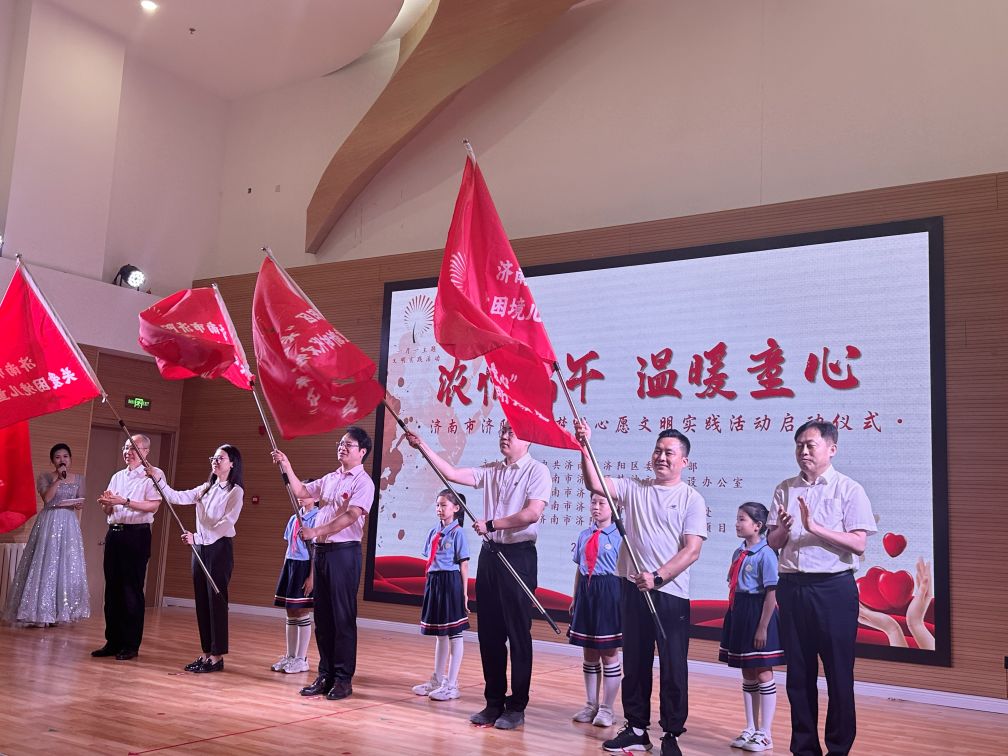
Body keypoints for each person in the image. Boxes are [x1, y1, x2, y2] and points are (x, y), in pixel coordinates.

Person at [405, 421, 549, 731]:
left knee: (518, 635)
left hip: (518, 556)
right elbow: (452, 474)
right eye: (502, 431)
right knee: (490, 634)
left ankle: (516, 706)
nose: (505, 436)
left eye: (512, 432)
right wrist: (422, 445)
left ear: (528, 440)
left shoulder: (537, 471)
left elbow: (532, 513)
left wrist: (493, 524)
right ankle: (493, 702)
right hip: (490, 556)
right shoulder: (492, 470)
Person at [575, 419, 706, 756]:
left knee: (673, 666)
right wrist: (584, 446)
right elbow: (594, 482)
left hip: (669, 593)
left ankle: (671, 735)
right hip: (632, 588)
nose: (662, 457)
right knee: (635, 661)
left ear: (684, 461)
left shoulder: (691, 498)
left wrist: (658, 576)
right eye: (658, 451)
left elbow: (692, 550)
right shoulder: (634, 488)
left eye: (670, 453)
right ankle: (636, 729)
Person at [766, 420, 876, 756]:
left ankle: (838, 749)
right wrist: (784, 530)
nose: (803, 451)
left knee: (838, 674)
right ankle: (804, 748)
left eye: (810, 444)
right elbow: (773, 542)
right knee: (798, 676)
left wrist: (814, 527)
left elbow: (858, 543)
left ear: (832, 448)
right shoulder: (785, 488)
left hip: (833, 589)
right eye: (799, 444)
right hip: (792, 587)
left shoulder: (849, 489)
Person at [271, 426, 375, 701]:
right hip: (322, 552)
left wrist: (316, 531)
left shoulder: (363, 482)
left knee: (342, 618)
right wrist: (287, 465)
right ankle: (325, 674)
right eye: (341, 443)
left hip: (344, 553)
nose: (342, 447)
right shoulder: (331, 478)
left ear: (362, 452)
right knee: (324, 618)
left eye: (348, 444)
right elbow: (302, 491)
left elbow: (352, 516)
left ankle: (343, 679)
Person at [146, 444, 244, 673]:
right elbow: (176, 497)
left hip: (219, 548)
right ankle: (206, 652)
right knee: (202, 600)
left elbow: (227, 523)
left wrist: (198, 537)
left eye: (220, 458)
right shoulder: (206, 488)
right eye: (214, 458)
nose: (215, 461)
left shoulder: (235, 491)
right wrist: (157, 477)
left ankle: (217, 656)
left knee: (216, 601)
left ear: (232, 463)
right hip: (199, 547)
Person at [718, 502, 786, 752]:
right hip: (740, 612)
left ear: (758, 526)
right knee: (747, 671)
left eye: (742, 519)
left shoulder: (766, 553)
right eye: (737, 518)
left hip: (758, 613)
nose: (737, 524)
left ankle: (765, 733)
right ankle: (751, 727)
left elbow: (771, 592)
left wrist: (763, 627)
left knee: (763, 671)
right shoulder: (739, 552)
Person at [92, 435, 163, 661]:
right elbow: (109, 510)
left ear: (146, 451)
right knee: (112, 589)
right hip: (115, 533)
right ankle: (112, 641)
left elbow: (153, 506)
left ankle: (130, 644)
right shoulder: (117, 476)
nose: (128, 452)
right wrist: (107, 504)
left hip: (137, 535)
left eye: (133, 448)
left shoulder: (153, 474)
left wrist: (124, 501)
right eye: (125, 447)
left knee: (131, 590)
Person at [3, 443, 89, 626]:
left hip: (69, 523)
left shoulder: (79, 478)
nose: (62, 460)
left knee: (66, 565)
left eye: (65, 456)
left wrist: (78, 504)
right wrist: (58, 479)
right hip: (50, 521)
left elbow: (81, 500)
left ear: (70, 459)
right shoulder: (45, 477)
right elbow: (47, 499)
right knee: (46, 562)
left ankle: (60, 612)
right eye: (58, 457)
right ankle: (39, 612)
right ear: (52, 461)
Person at [568, 493, 623, 728]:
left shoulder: (621, 536)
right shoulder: (584, 535)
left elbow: (627, 572)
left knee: (608, 652)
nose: (596, 507)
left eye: (602, 503)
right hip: (587, 593)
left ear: (614, 507)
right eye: (593, 502)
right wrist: (575, 597)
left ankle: (607, 709)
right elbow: (579, 569)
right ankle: (590, 705)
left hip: (609, 593)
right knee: (589, 652)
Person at [410, 488, 470, 702]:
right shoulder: (433, 532)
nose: (439, 509)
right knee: (440, 633)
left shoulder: (458, 533)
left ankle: (451, 685)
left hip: (450, 582)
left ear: (456, 508)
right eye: (437, 505)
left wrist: (464, 594)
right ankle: (437, 680)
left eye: (444, 505)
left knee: (455, 633)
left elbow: (464, 565)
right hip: (434, 581)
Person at [271, 487, 319, 675]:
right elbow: (289, 546)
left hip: (305, 566)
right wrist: (285, 569)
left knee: (301, 610)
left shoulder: (317, 518)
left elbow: (316, 550)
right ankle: (290, 656)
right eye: (300, 494)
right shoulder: (293, 518)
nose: (301, 497)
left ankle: (301, 658)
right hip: (291, 564)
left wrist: (312, 576)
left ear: (315, 497)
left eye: (306, 494)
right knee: (290, 610)